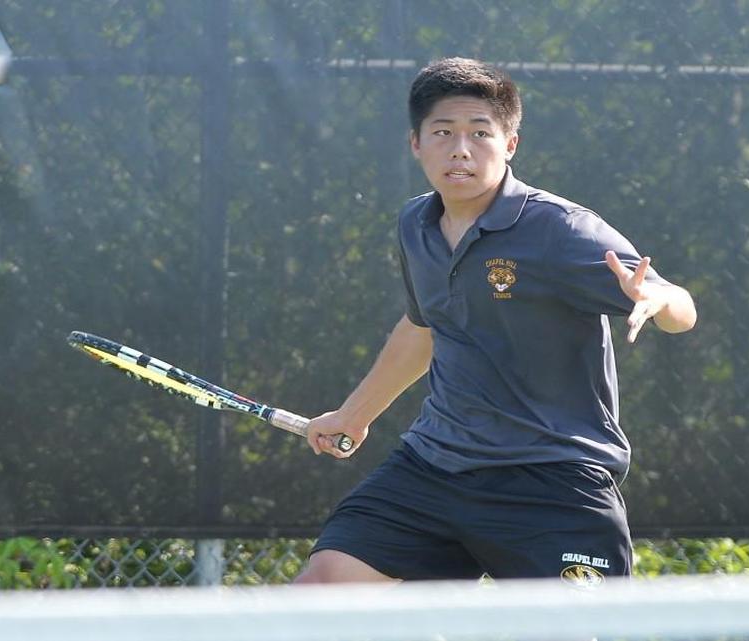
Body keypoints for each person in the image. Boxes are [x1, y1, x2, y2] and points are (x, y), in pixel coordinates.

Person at [295, 57, 696, 585]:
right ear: (416, 143)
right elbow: (425, 327)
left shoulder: (562, 230)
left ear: (510, 145)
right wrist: (354, 414)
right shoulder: (416, 224)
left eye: (480, 133)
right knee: (322, 587)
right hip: (435, 466)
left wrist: (658, 299)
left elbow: (681, 309)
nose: (460, 149)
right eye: (443, 132)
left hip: (554, 478)